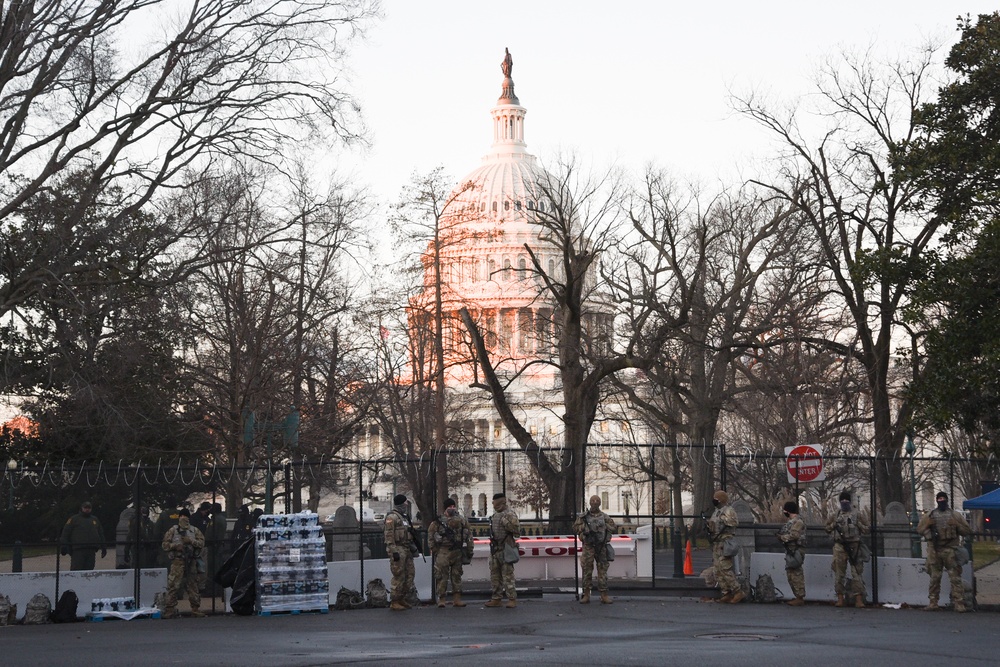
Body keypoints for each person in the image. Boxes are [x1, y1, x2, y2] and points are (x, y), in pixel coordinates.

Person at [916, 491, 973, 612]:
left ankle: (959, 603)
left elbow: (967, 531)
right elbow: (920, 529)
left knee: (955, 578)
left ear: (946, 500)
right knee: (935, 577)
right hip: (935, 550)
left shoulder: (955, 515)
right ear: (937, 500)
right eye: (939, 499)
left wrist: (957, 525)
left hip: (950, 550)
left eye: (943, 499)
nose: (941, 501)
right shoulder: (930, 515)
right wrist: (927, 525)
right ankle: (933, 602)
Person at [824, 490, 870, 608]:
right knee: (839, 573)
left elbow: (866, 529)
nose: (844, 503)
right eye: (842, 501)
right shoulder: (835, 515)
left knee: (857, 573)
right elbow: (827, 528)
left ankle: (858, 599)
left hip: (854, 546)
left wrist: (858, 525)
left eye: (846, 501)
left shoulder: (857, 514)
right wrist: (834, 525)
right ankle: (840, 598)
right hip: (840, 546)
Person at [161, 508, 207, 619]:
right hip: (178, 561)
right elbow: (165, 545)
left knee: (193, 586)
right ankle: (169, 609)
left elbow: (201, 543)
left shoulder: (194, 530)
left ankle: (195, 608)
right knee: (173, 585)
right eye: (182, 516)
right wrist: (175, 546)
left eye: (185, 517)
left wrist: (191, 541)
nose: (183, 519)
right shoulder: (173, 530)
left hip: (191, 561)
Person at [428, 498, 472, 608]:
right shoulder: (438, 522)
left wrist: (469, 551)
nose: (452, 508)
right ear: (445, 508)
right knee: (441, 576)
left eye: (453, 506)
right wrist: (435, 550)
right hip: (443, 551)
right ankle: (441, 599)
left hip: (457, 551)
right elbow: (431, 537)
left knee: (456, 576)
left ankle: (457, 599)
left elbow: (469, 535)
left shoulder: (461, 520)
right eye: (450, 507)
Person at [573, 495, 616, 604]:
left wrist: (605, 529)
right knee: (587, 570)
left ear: (600, 503)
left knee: (602, 571)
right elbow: (575, 528)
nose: (595, 502)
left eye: (597, 501)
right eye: (593, 501)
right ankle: (586, 594)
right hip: (588, 546)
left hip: (601, 546)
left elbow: (613, 527)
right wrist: (584, 529)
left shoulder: (604, 517)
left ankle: (604, 595)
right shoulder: (584, 517)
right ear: (590, 503)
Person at [706, 489, 743, 603]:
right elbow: (713, 524)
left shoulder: (728, 510)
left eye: (716, 499)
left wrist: (722, 520)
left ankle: (738, 591)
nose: (714, 501)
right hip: (717, 542)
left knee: (725, 568)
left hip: (725, 542)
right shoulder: (716, 512)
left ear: (721, 500)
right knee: (717, 569)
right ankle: (726, 592)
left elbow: (733, 522)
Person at [384, 494, 418, 611]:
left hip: (406, 549)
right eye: (405, 502)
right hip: (398, 549)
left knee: (410, 575)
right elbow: (389, 536)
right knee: (398, 575)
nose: (406, 504)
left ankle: (402, 598)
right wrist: (393, 551)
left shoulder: (404, 517)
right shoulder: (392, 518)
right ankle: (394, 600)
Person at [485, 492, 520, 608]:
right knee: (495, 576)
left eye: (495, 502)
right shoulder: (495, 515)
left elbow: (517, 531)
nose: (494, 505)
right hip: (495, 549)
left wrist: (506, 522)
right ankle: (496, 598)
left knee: (508, 576)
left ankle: (511, 598)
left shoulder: (509, 514)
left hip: (506, 548)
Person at [59, 501, 107, 571]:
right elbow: (65, 533)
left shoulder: (95, 519)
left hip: (91, 549)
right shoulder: (74, 519)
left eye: (89, 508)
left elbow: (101, 534)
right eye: (85, 508)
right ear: (82, 508)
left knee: (89, 571)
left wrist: (104, 547)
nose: (87, 509)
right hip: (78, 550)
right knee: (76, 570)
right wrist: (63, 546)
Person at [777, 500, 807, 606]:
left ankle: (800, 596)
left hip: (796, 550)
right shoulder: (791, 522)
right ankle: (797, 595)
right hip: (791, 550)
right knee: (791, 573)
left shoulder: (798, 522)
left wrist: (782, 538)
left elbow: (794, 535)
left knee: (796, 573)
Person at [125, 505, 159, 569]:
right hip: (138, 549)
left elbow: (155, 536)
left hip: (149, 551)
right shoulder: (135, 522)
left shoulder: (151, 524)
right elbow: (130, 536)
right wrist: (126, 551)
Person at [153, 499, 184, 567]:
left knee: (167, 564)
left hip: (168, 544)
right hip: (180, 544)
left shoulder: (164, 515)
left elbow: (156, 532)